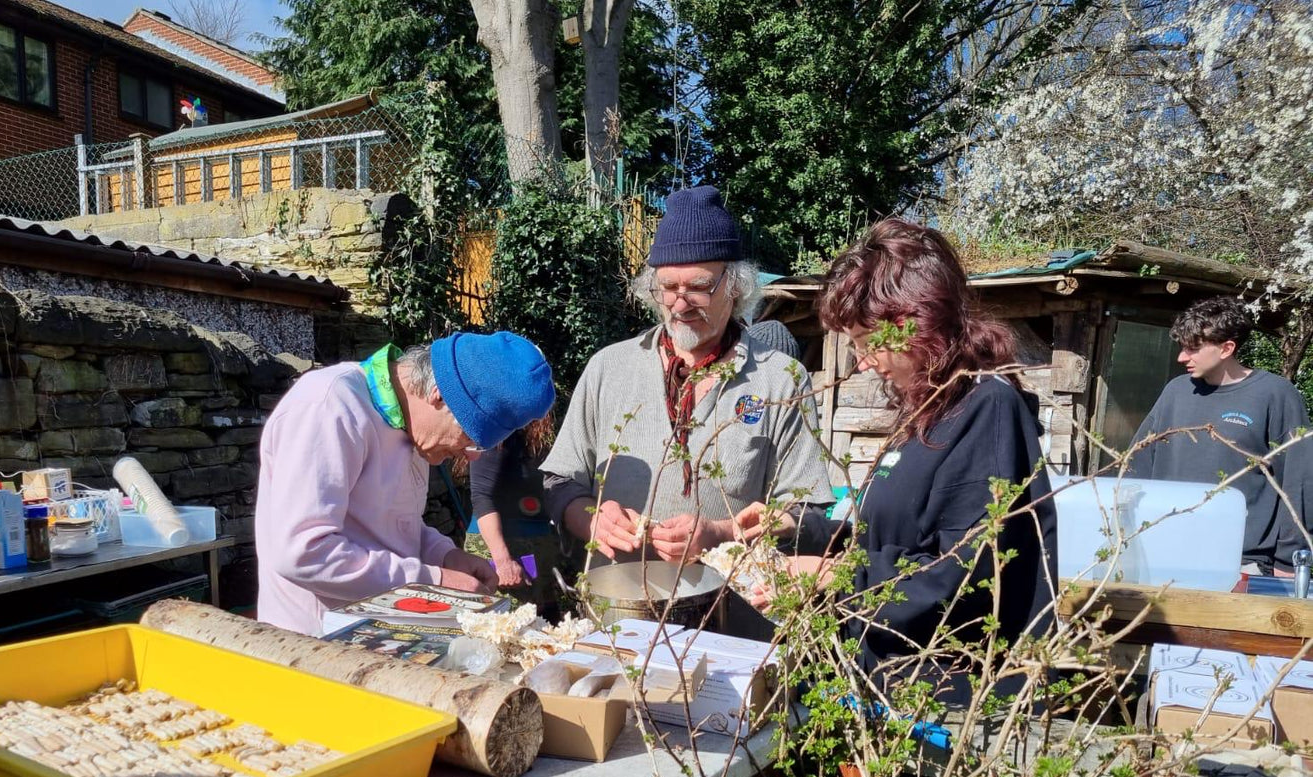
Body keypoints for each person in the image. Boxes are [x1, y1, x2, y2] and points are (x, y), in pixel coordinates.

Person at [751, 219, 1058, 679]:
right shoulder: (933, 409)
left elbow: (965, 576)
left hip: (948, 690)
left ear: (914, 322)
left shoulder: (988, 408)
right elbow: (893, 539)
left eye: (866, 342)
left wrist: (832, 576)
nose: (862, 363)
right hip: (891, 673)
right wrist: (800, 528)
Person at [541, 186, 832, 565]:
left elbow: (805, 512)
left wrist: (722, 535)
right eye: (667, 288)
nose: (680, 304)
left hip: (728, 611)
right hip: (618, 610)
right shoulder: (608, 368)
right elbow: (558, 482)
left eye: (698, 288)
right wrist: (591, 519)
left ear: (736, 286)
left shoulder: (780, 379)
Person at [255, 331, 555, 636]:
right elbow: (302, 551)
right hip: (315, 642)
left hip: (378, 637)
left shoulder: (409, 426)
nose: (470, 456)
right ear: (439, 395)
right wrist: (432, 580)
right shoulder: (329, 406)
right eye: (471, 440)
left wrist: (444, 555)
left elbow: (391, 527)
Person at [1128, 296, 1310, 575]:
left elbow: (1299, 483)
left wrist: (1289, 561)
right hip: (1164, 552)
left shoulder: (1276, 395)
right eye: (1182, 348)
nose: (1181, 357)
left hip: (1242, 562)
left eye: (1193, 349)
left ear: (1227, 348)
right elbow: (1136, 466)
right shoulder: (1176, 392)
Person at [463, 412, 562, 614]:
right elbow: (482, 497)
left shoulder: (532, 438)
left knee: (544, 629)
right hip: (501, 549)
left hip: (537, 547)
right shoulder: (495, 434)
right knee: (506, 630)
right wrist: (503, 561)